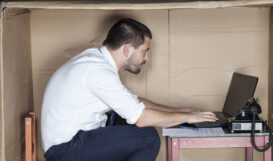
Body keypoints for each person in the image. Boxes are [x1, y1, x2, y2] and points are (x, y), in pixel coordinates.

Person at [41, 18, 218, 161]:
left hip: (77, 138)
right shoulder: (98, 71)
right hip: (65, 150)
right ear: (127, 49)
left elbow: (135, 102)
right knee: (147, 138)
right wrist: (188, 117)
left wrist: (179, 112)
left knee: (127, 118)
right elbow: (141, 118)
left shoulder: (96, 61)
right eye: (145, 51)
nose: (147, 58)